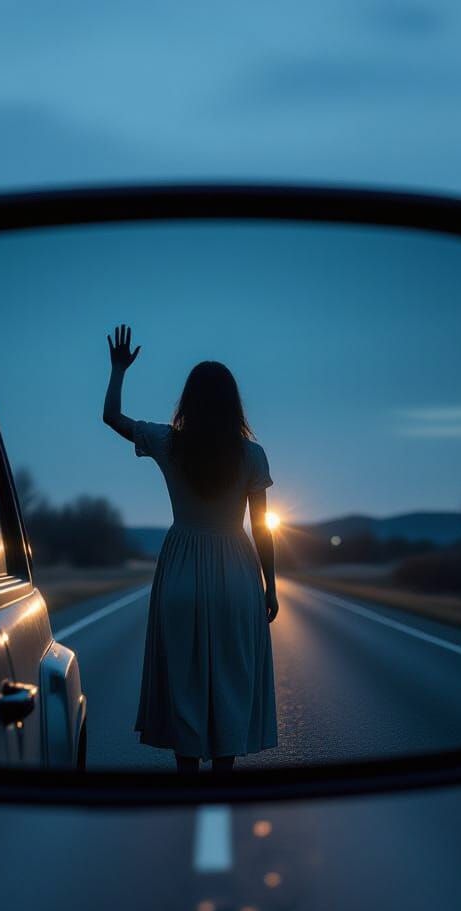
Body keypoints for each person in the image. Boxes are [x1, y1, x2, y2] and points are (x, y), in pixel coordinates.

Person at [102, 324, 278, 775]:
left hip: (180, 566)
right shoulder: (252, 455)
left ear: (189, 400)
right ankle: (223, 775)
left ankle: (187, 779)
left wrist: (118, 371)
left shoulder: (168, 442)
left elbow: (112, 418)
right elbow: (263, 529)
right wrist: (270, 586)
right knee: (231, 678)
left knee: (183, 676)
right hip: (237, 572)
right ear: (233, 402)